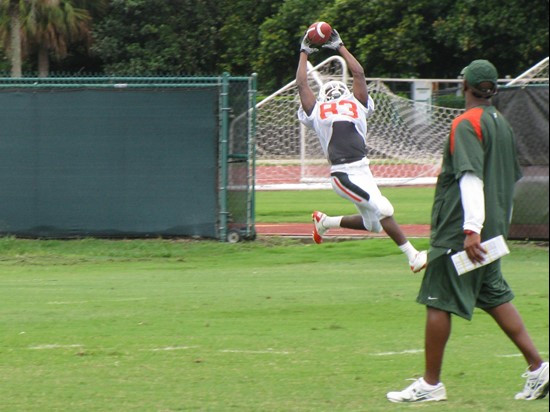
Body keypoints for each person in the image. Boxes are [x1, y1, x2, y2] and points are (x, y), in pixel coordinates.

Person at [386, 59, 549, 403]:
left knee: (437, 301)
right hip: (493, 231)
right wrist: (492, 227)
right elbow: (510, 180)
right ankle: (538, 368)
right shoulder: (501, 123)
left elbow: (471, 176)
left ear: (464, 86)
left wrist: (471, 229)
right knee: (494, 296)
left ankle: (430, 385)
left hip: (462, 234)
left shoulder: (465, 123)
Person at [296, 29, 427, 273]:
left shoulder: (358, 104)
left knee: (375, 225)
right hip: (342, 173)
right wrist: (304, 52)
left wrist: (340, 46)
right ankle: (413, 256)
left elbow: (358, 72)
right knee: (384, 208)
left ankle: (324, 222)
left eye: (338, 90)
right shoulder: (317, 112)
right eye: (330, 91)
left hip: (363, 169)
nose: (334, 92)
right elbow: (302, 83)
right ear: (325, 97)